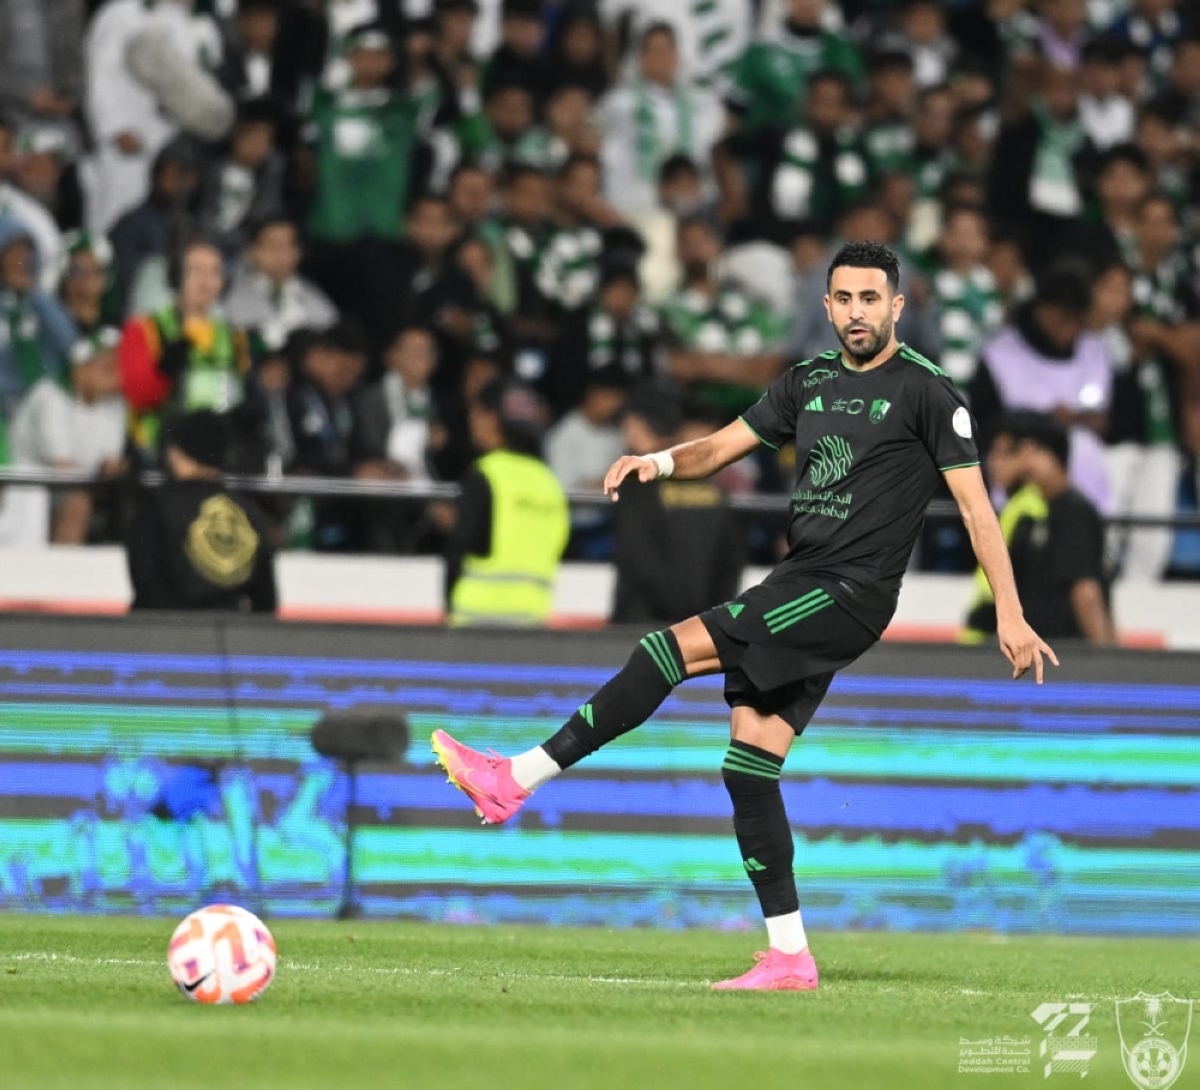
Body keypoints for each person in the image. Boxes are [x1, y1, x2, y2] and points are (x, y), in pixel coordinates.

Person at [432, 241, 1057, 990]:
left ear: (897, 306)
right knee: (749, 767)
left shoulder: (929, 393)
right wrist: (658, 461)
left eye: (871, 299)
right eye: (844, 299)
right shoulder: (807, 382)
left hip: (849, 588)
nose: (857, 312)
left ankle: (515, 777)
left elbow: (978, 510)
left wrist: (1010, 612)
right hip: (803, 576)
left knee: (665, 651)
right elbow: (721, 448)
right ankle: (790, 956)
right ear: (826, 306)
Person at [966, 412, 1115, 644]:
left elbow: (1086, 592)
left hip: (1068, 652)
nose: (1024, 461)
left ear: (1050, 455)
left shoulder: (1073, 512)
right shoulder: (1033, 511)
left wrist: (1107, 657)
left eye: (1030, 451)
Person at [611, 389, 746, 622]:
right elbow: (730, 557)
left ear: (639, 426)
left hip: (642, 620)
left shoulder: (638, 485)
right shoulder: (711, 485)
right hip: (699, 621)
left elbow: (638, 553)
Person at [126, 410, 277, 613]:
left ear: (180, 452)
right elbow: (266, 600)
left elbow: (145, 582)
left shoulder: (156, 507)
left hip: (169, 628)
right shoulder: (248, 512)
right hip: (232, 626)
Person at [445, 377, 569, 626]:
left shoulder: (486, 473)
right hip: (531, 620)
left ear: (491, 419)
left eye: (476, 414)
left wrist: (447, 604)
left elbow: (461, 544)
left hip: (474, 619)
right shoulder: (549, 482)